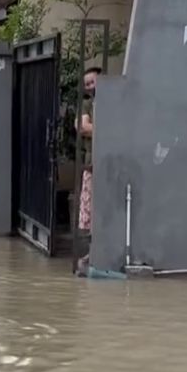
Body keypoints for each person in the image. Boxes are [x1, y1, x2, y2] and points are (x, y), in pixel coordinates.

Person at [77, 67, 100, 272]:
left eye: (93, 82)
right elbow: (83, 127)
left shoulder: (116, 100)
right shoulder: (86, 104)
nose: (91, 88)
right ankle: (92, 251)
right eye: (87, 84)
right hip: (92, 162)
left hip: (112, 162)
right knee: (90, 209)